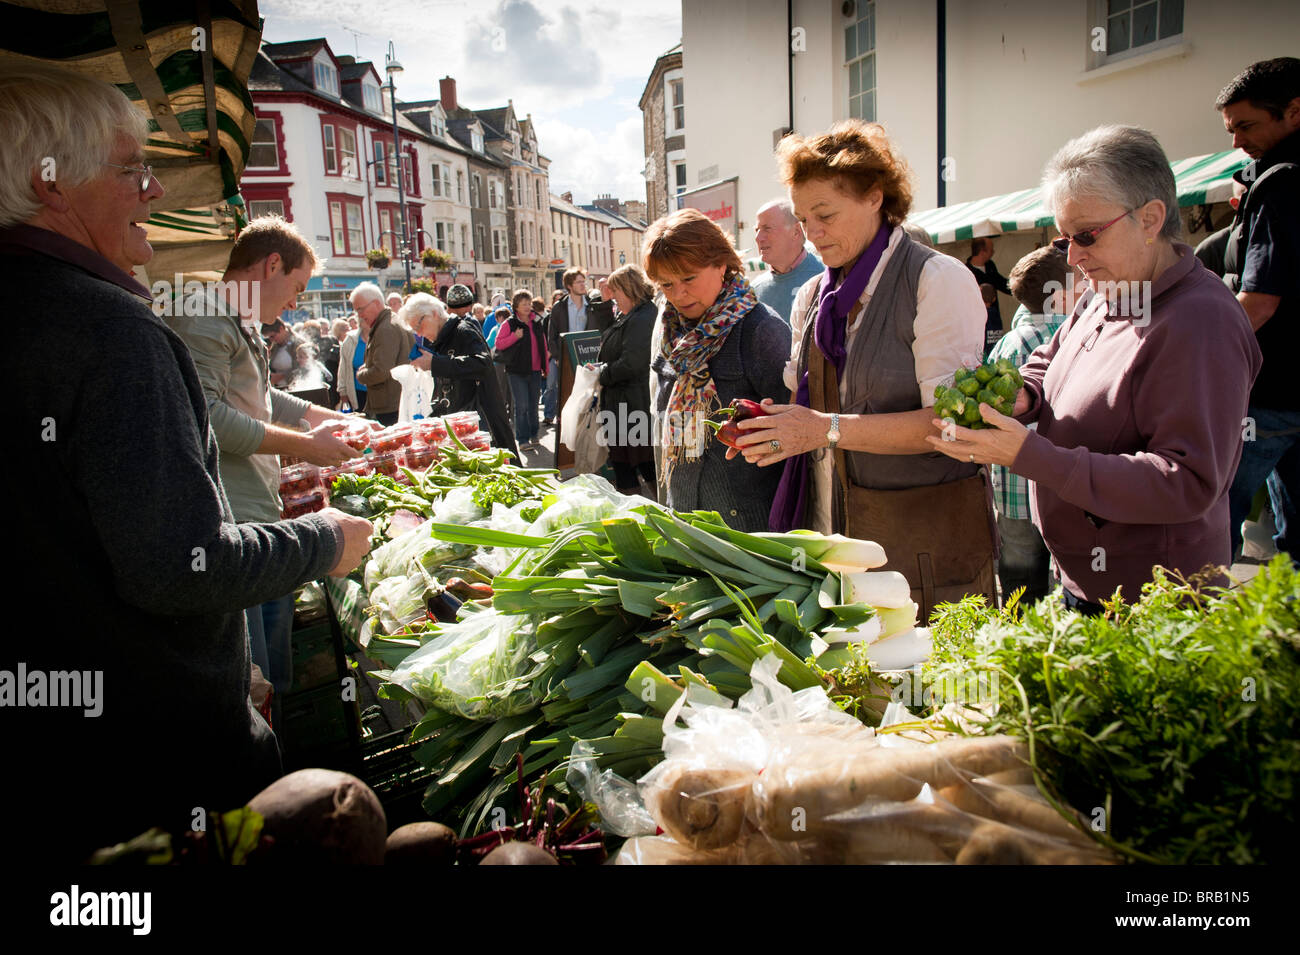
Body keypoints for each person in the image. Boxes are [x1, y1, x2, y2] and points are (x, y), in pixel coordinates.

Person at [1, 63, 373, 861]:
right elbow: (177, 562)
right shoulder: (115, 330)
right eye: (132, 168)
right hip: (148, 764)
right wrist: (325, 539)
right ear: (50, 181)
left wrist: (315, 418)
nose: (154, 193)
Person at [927, 124, 1262, 613]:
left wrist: (1030, 455)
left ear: (1150, 219)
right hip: (1086, 580)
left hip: (1150, 602)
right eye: (1065, 239)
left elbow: (1186, 481)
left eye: (1086, 236)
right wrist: (1024, 394)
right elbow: (1050, 360)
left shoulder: (1201, 322)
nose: (1074, 258)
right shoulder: (1110, 290)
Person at [731, 120, 992, 619]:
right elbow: (812, 412)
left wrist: (821, 429)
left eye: (825, 214)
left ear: (875, 197)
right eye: (805, 220)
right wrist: (774, 425)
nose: (814, 234)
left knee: (928, 688)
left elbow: (954, 426)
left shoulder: (936, 280)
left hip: (923, 538)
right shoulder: (812, 296)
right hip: (833, 534)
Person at [165, 215, 364, 720]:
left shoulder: (236, 319)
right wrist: (307, 445)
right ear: (271, 264)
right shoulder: (205, 314)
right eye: (296, 286)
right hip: (233, 527)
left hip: (260, 517)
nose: (296, 302)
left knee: (273, 678)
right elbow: (205, 414)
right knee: (254, 689)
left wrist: (328, 418)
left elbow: (260, 398)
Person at [644, 208, 790, 531]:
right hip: (684, 521)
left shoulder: (760, 330)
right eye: (666, 284)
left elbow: (796, 439)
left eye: (689, 278)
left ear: (721, 263)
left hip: (751, 535)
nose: (678, 294)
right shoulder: (669, 333)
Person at [1216, 57, 1300, 563]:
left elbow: (1259, 303)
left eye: (1246, 126)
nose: (1236, 141)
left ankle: (1190, 629)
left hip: (1270, 394)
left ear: (1294, 111)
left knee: (1209, 513)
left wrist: (1196, 357)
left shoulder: (1283, 182)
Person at [986, 246, 1077, 606]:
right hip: (1063, 480)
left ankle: (1018, 634)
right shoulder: (1076, 335)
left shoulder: (1009, 344)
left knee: (1019, 570)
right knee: (1067, 573)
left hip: (1013, 486)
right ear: (1060, 293)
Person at [405, 290, 518, 456]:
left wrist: (435, 364)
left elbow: (483, 364)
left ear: (434, 314)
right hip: (465, 428)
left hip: (482, 427)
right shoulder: (442, 339)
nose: (419, 333)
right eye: (414, 329)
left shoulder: (463, 330)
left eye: (418, 326)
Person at [594, 264, 658, 495]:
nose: (613, 298)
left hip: (634, 404)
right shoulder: (631, 313)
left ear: (629, 289)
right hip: (623, 402)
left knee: (643, 463)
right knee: (626, 463)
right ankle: (637, 515)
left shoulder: (643, 316)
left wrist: (601, 373)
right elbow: (608, 335)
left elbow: (633, 362)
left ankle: (652, 516)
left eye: (615, 291)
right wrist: (603, 304)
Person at [751, 198, 824, 323]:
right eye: (757, 230)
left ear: (796, 232)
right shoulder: (754, 290)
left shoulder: (827, 277)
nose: (758, 238)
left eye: (767, 229)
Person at [350, 281, 411, 426]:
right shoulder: (388, 322)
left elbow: (382, 371)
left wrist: (361, 374)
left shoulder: (385, 328)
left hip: (390, 405)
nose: (359, 315)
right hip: (392, 402)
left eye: (361, 309)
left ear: (376, 303)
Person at [494, 289, 548, 450]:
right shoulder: (510, 323)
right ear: (516, 306)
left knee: (533, 406)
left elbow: (543, 345)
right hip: (516, 371)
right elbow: (499, 344)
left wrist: (546, 367)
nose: (526, 307)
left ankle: (534, 434)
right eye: (523, 304)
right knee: (522, 405)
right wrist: (514, 337)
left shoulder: (536, 322)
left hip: (535, 370)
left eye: (528, 304)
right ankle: (522, 439)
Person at [543, 268, 590, 426]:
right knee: (568, 394)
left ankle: (584, 428)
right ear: (569, 285)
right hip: (566, 358)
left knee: (587, 396)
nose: (583, 285)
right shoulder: (559, 307)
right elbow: (552, 335)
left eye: (584, 281)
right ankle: (568, 429)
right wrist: (557, 357)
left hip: (587, 357)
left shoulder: (591, 304)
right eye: (579, 282)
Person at [966, 237, 1011, 354]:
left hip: (994, 316)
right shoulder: (967, 271)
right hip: (978, 320)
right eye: (991, 250)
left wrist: (1019, 289)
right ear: (982, 252)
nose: (993, 252)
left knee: (995, 344)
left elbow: (1001, 283)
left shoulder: (990, 266)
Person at [263, 317, 301, 387]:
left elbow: (303, 368)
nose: (271, 340)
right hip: (278, 387)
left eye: (273, 336)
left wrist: (283, 376)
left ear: (281, 329)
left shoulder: (298, 343)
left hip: (296, 386)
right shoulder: (274, 346)